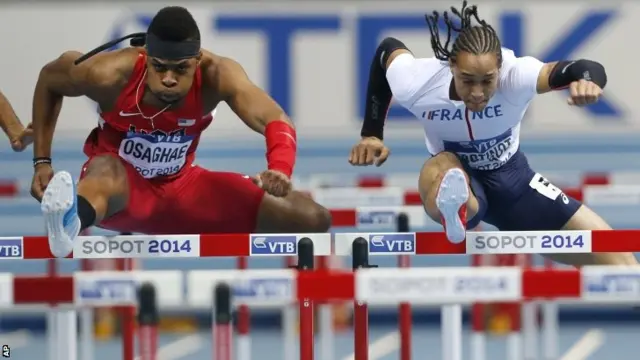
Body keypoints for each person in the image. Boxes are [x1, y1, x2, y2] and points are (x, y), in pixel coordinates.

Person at [349, 1, 637, 266]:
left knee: (623, 262)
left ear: (500, 69)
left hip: (515, 183)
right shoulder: (418, 83)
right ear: (451, 67)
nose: (477, 93)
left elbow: (585, 68)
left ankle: (458, 206)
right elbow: (387, 49)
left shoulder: (518, 75)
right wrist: (372, 133)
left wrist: (588, 81)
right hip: (455, 177)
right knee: (445, 167)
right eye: (466, 81)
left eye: (487, 81)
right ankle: (457, 209)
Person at [31, 6, 332, 258]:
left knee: (313, 218)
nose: (169, 79)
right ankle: (71, 222)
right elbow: (49, 78)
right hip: (120, 193)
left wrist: (280, 167)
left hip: (184, 190)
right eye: (159, 67)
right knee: (107, 168)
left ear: (198, 60)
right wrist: (41, 162)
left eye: (181, 69)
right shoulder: (108, 75)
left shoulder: (218, 75)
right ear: (144, 55)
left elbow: (274, 117)